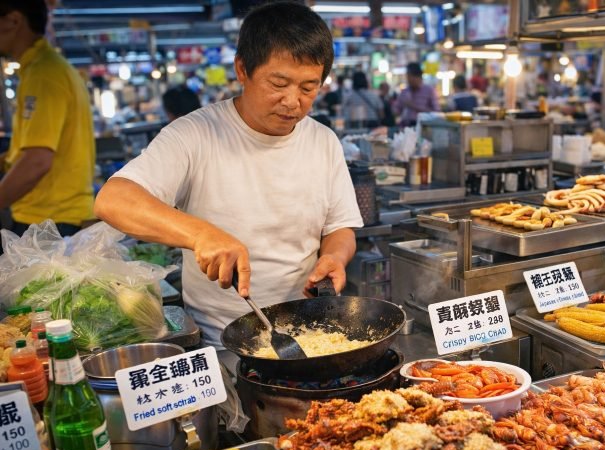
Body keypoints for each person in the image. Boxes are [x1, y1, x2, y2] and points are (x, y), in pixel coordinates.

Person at [94, 1, 363, 372]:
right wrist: (199, 233)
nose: (293, 102)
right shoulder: (195, 134)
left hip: (310, 334)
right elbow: (113, 199)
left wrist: (335, 256)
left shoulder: (323, 141)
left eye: (308, 87)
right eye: (278, 83)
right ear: (242, 69)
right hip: (221, 343)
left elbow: (340, 226)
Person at [0, 0, 94, 237]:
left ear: (13, 20)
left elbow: (37, 161)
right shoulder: (45, 69)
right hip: (55, 219)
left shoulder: (43, 74)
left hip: (49, 223)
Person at [393, 62, 439, 127]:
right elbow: (396, 111)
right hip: (405, 126)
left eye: (410, 77)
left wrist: (413, 106)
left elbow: (436, 113)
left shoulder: (429, 90)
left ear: (418, 77)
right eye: (407, 77)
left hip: (424, 127)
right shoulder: (404, 91)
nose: (408, 80)